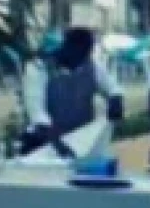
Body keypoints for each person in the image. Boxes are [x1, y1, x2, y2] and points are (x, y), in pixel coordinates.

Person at [20, 28, 124, 158]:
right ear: (66, 48)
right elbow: (37, 113)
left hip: (80, 141)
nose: (83, 59)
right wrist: (57, 143)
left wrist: (116, 99)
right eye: (79, 54)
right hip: (42, 144)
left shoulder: (90, 66)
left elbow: (112, 87)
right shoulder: (38, 69)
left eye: (86, 54)